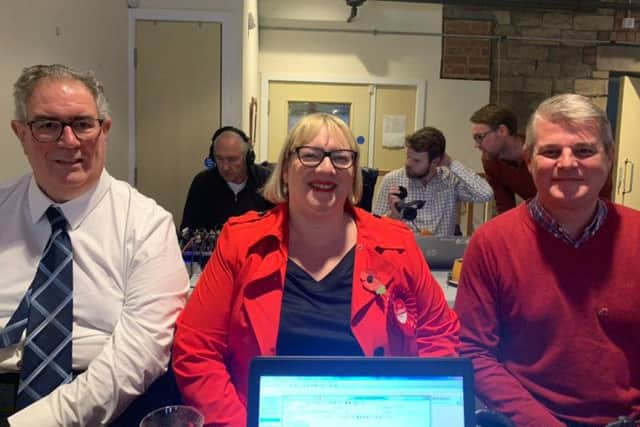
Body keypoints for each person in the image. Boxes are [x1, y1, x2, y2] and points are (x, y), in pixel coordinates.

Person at [172, 113, 460, 426]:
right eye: (309, 155)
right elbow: (196, 349)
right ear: (284, 170)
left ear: (353, 175)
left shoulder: (397, 243)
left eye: (340, 157)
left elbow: (439, 336)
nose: (326, 167)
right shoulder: (241, 242)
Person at [0, 64, 188, 426]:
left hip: (98, 399)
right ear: (20, 133)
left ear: (104, 130)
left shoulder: (147, 225)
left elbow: (137, 358)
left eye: (83, 124)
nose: (68, 141)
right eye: (47, 125)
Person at [455, 94, 640, 427]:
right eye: (551, 152)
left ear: (610, 157)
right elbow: (475, 352)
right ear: (528, 159)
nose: (567, 163)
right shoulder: (491, 244)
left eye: (584, 151)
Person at [470, 104, 610, 214]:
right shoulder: (490, 161)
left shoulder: (541, 151)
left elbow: (599, 192)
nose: (476, 145)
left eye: (480, 137)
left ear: (502, 131)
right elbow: (505, 206)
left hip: (574, 213)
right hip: (540, 217)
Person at [372, 126, 493, 236]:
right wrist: (393, 216)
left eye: (416, 160)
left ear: (435, 162)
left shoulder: (450, 180)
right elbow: (374, 227)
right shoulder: (392, 180)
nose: (408, 163)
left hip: (441, 255)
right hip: (405, 253)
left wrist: (451, 163)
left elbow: (485, 194)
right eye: (408, 157)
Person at [180, 126, 273, 232]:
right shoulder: (202, 183)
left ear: (248, 157)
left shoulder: (267, 181)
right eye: (219, 158)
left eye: (232, 159)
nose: (225, 167)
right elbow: (188, 230)